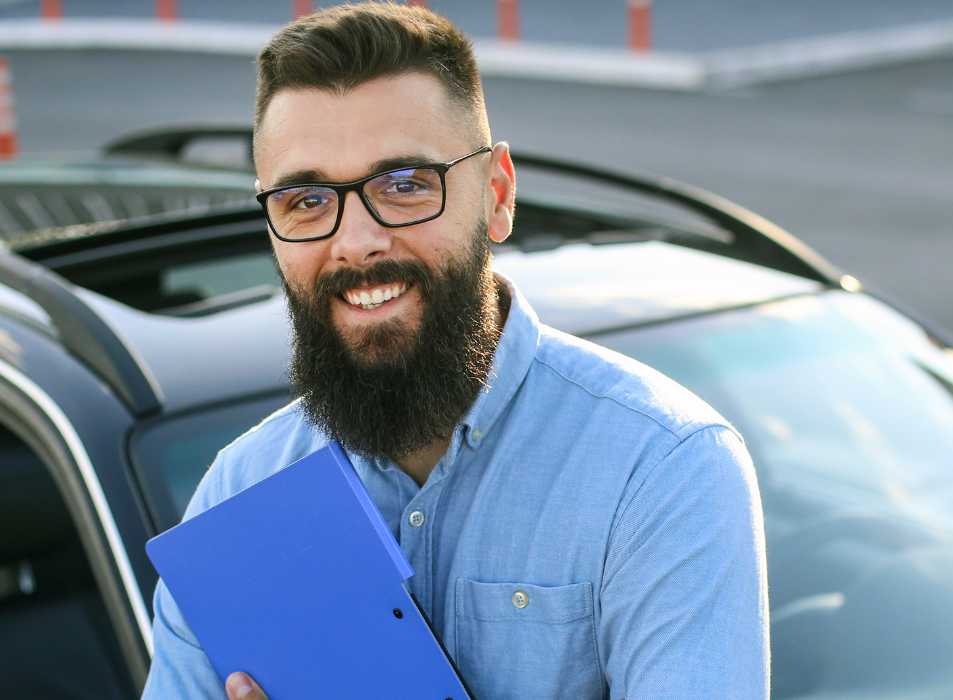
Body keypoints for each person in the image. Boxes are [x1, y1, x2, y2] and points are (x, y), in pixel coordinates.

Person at [138, 4, 769, 700]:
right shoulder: (237, 498)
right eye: (306, 200)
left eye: (405, 186)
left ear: (496, 195)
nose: (355, 243)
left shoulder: (660, 471)